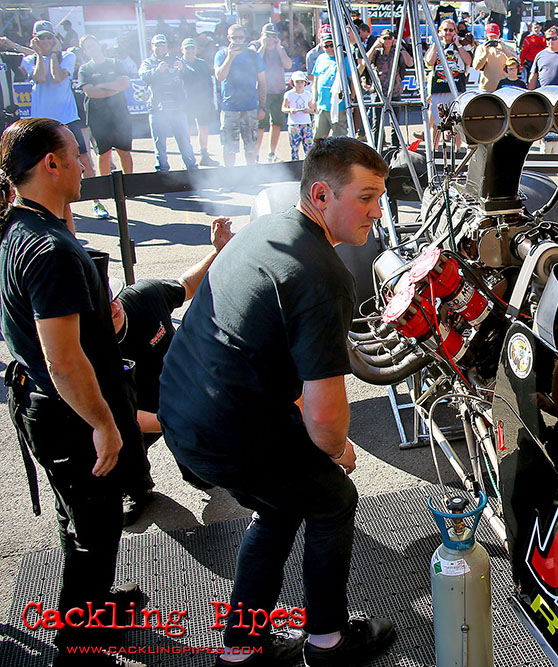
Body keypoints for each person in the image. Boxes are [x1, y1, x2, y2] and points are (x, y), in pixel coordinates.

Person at [158, 137, 396, 667]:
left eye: (380, 198)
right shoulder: (323, 275)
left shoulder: (263, 229)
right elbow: (326, 418)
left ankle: (241, 650)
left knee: (280, 506)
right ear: (321, 195)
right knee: (333, 497)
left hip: (181, 411)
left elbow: (265, 352)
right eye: (365, 197)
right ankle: (328, 641)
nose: (377, 212)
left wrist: (317, 437)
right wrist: (334, 449)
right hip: (227, 427)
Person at [0, 117, 145, 664]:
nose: (86, 164)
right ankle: (80, 646)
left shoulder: (23, 224)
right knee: (94, 530)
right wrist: (103, 424)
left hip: (46, 407)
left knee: (79, 521)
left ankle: (91, 611)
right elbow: (62, 359)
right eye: (77, 154)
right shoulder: (48, 250)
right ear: (51, 164)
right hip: (68, 415)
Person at [114, 216, 233, 524]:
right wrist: (179, 423)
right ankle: (135, 488)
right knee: (115, 442)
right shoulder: (83, 349)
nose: (113, 308)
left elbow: (186, 286)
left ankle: (196, 458)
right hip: (129, 411)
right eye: (100, 307)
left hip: (179, 388)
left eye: (111, 299)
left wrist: (218, 251)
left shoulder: (143, 297)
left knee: (203, 475)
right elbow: (121, 416)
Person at [20, 20, 107, 219]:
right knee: (44, 164)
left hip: (67, 118)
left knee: (83, 160)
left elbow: (57, 76)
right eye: (42, 38)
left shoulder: (67, 56)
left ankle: (96, 202)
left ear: (55, 38)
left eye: (49, 37)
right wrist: (39, 54)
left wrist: (52, 54)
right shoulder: (29, 59)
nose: (46, 41)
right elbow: (41, 77)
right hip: (41, 123)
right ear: (35, 40)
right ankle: (52, 206)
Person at [139, 33, 198, 172]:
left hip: (178, 109)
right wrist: (157, 71)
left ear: (167, 46)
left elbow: (192, 75)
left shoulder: (175, 60)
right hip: (158, 110)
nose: (161, 47)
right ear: (152, 47)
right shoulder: (148, 63)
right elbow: (143, 76)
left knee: (184, 141)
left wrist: (183, 68)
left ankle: (192, 168)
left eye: (163, 44)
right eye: (157, 45)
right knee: (160, 143)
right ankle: (162, 170)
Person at [77, 35, 133, 176]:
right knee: (104, 153)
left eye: (93, 44)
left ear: (99, 44)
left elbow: (125, 84)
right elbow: (90, 92)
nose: (92, 48)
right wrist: (114, 88)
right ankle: (106, 185)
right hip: (98, 118)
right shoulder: (85, 69)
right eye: (88, 47)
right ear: (85, 51)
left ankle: (130, 182)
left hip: (119, 115)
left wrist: (102, 85)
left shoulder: (116, 63)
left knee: (124, 151)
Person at [215, 24, 266, 167]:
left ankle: (251, 175)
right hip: (229, 108)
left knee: (251, 147)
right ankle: (230, 175)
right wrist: (230, 57)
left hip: (250, 107)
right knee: (229, 147)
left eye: (240, 37)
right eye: (234, 38)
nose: (237, 41)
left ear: (245, 38)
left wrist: (262, 107)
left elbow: (262, 82)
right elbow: (219, 76)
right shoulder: (222, 55)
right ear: (228, 38)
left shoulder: (253, 56)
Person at [425, 19, 471, 149]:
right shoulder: (436, 46)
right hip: (439, 88)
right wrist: (436, 42)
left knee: (457, 123)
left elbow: (468, 60)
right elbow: (429, 62)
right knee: (437, 123)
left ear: (455, 31)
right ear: (440, 31)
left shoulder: (462, 45)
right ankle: (434, 150)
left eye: (451, 30)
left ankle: (457, 149)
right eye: (445, 30)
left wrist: (458, 44)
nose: (448, 33)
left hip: (457, 88)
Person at [250, 23, 292, 163]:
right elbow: (254, 63)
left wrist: (279, 48)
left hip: (278, 91)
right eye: (268, 35)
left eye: (273, 36)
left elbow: (288, 65)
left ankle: (271, 153)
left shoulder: (280, 49)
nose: (271, 39)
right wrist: (263, 45)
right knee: (260, 124)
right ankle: (255, 155)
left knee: (277, 123)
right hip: (262, 92)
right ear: (262, 35)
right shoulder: (256, 46)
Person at [180, 37, 220, 167]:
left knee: (203, 127)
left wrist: (210, 99)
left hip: (202, 102)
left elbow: (209, 82)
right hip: (186, 103)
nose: (190, 50)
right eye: (187, 48)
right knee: (187, 130)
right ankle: (187, 158)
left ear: (196, 49)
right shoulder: (179, 64)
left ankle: (204, 155)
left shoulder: (202, 64)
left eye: (192, 48)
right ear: (182, 50)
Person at [311, 32, 348, 141]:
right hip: (322, 105)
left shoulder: (344, 58)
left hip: (339, 105)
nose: (329, 48)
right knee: (318, 138)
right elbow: (316, 80)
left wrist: (350, 100)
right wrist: (314, 99)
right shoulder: (320, 58)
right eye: (326, 46)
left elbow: (351, 79)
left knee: (340, 139)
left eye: (331, 45)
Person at [472, 23, 515, 92]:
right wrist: (485, 54)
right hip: (486, 88)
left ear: (499, 34)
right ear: (487, 35)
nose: (493, 39)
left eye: (495, 36)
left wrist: (504, 50)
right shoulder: (481, 48)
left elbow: (516, 63)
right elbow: (476, 67)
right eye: (491, 36)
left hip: (503, 88)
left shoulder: (507, 47)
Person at [283, 71, 316, 160]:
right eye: (297, 82)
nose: (300, 84)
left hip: (306, 123)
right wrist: (290, 110)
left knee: (308, 147)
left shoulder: (308, 94)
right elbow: (283, 108)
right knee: (294, 147)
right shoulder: (289, 94)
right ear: (293, 82)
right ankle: (295, 163)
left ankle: (308, 163)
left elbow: (313, 109)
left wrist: (308, 111)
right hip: (294, 123)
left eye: (302, 82)